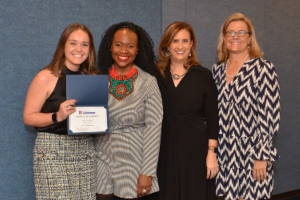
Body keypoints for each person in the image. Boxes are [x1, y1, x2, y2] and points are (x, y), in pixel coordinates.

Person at [23, 24, 98, 200]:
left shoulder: (93, 79)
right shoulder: (46, 76)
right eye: (73, 43)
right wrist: (58, 116)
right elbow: (28, 117)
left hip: (85, 152)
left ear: (90, 49)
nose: (78, 49)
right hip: (52, 153)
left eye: (84, 44)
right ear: (63, 46)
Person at [212, 13, 280, 200]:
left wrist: (261, 155)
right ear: (224, 38)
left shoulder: (263, 69)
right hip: (225, 153)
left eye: (242, 32)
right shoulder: (216, 71)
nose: (236, 36)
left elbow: (270, 116)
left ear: (250, 37)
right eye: (230, 32)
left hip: (251, 153)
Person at [94, 21, 163, 200]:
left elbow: (154, 128)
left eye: (130, 46)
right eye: (118, 45)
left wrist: (147, 172)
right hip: (102, 159)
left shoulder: (148, 82)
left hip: (134, 162)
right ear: (110, 47)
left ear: (137, 50)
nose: (123, 51)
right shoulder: (96, 80)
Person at [151, 21, 219, 200]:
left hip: (195, 148)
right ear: (167, 45)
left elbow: (212, 116)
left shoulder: (203, 76)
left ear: (191, 45)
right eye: (175, 41)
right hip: (164, 147)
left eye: (184, 41)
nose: (180, 46)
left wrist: (212, 153)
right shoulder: (156, 75)